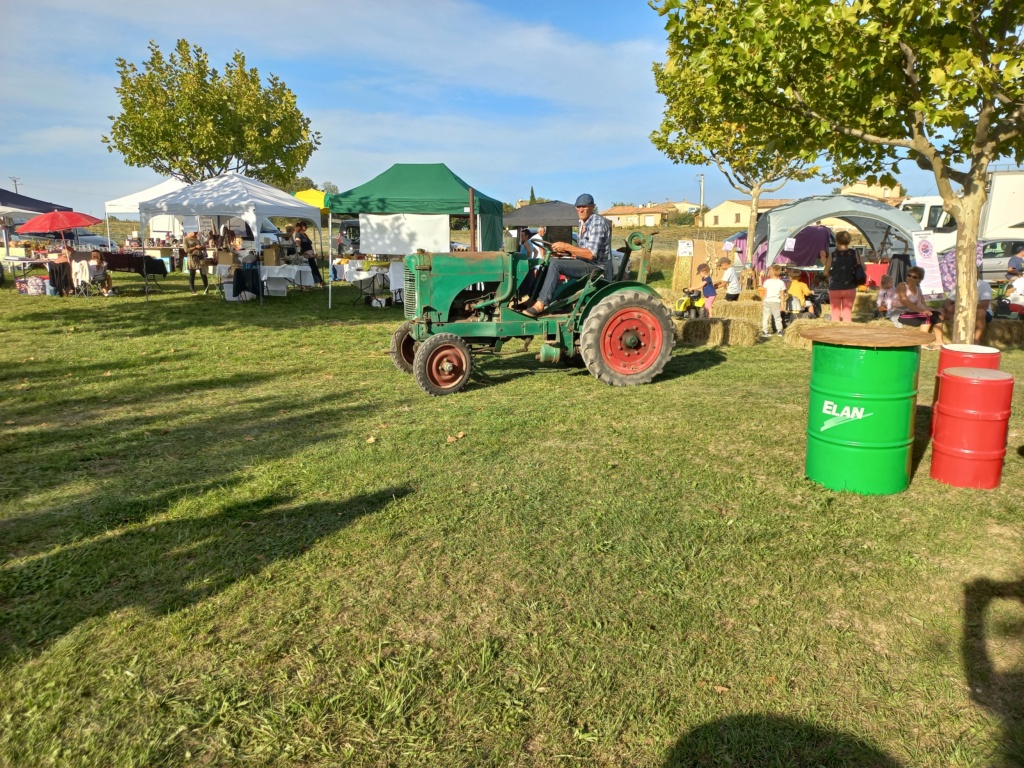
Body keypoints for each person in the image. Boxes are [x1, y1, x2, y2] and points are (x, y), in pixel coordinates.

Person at [522, 194, 610, 317]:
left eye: (584, 207)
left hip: (595, 266)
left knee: (555, 264)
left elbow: (590, 254)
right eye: (578, 207)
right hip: (583, 262)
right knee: (548, 262)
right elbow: (581, 250)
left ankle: (541, 304)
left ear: (592, 207)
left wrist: (567, 246)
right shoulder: (582, 222)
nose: (580, 210)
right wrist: (564, 252)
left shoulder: (597, 223)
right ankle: (531, 299)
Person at [893, 266, 944, 349]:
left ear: (919, 280)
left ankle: (939, 342)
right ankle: (922, 342)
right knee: (926, 317)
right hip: (899, 313)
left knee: (937, 315)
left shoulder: (918, 289)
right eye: (909, 275)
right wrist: (921, 311)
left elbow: (924, 305)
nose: (910, 278)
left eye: (914, 277)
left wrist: (938, 312)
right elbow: (904, 301)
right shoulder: (902, 285)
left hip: (912, 313)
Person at [822, 230, 862, 323]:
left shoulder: (833, 255)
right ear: (849, 240)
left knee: (835, 313)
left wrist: (832, 273)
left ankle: (835, 334)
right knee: (847, 313)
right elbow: (864, 268)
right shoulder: (855, 253)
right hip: (850, 287)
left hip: (835, 287)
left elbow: (825, 272)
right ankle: (846, 334)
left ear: (837, 240)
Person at [942, 278, 993, 344]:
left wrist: (965, 309)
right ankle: (939, 340)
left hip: (979, 312)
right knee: (940, 311)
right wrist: (949, 307)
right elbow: (947, 301)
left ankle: (976, 339)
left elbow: (984, 305)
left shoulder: (983, 285)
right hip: (961, 311)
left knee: (981, 312)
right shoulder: (959, 285)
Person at [295, 221, 323, 286]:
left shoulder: (305, 234)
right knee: (311, 268)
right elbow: (298, 245)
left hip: (310, 254)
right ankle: (317, 281)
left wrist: (313, 252)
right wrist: (301, 253)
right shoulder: (298, 234)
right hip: (305, 255)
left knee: (314, 267)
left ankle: (319, 281)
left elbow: (309, 244)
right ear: (302, 227)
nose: (307, 227)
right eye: (305, 226)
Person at [761, 264, 786, 337]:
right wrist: (782, 304)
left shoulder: (767, 282)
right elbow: (782, 295)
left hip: (767, 301)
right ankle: (780, 331)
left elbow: (764, 293)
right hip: (776, 301)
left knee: (766, 317)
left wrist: (763, 301)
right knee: (777, 317)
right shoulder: (781, 282)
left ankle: (764, 331)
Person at [184, 230, 209, 295]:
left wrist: (201, 247)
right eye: (194, 232)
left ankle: (206, 289)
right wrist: (195, 247)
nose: (196, 233)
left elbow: (200, 247)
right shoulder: (186, 239)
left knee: (203, 273)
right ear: (190, 231)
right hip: (192, 257)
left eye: (196, 232)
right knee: (192, 274)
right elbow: (186, 250)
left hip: (199, 257)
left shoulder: (197, 238)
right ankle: (192, 290)